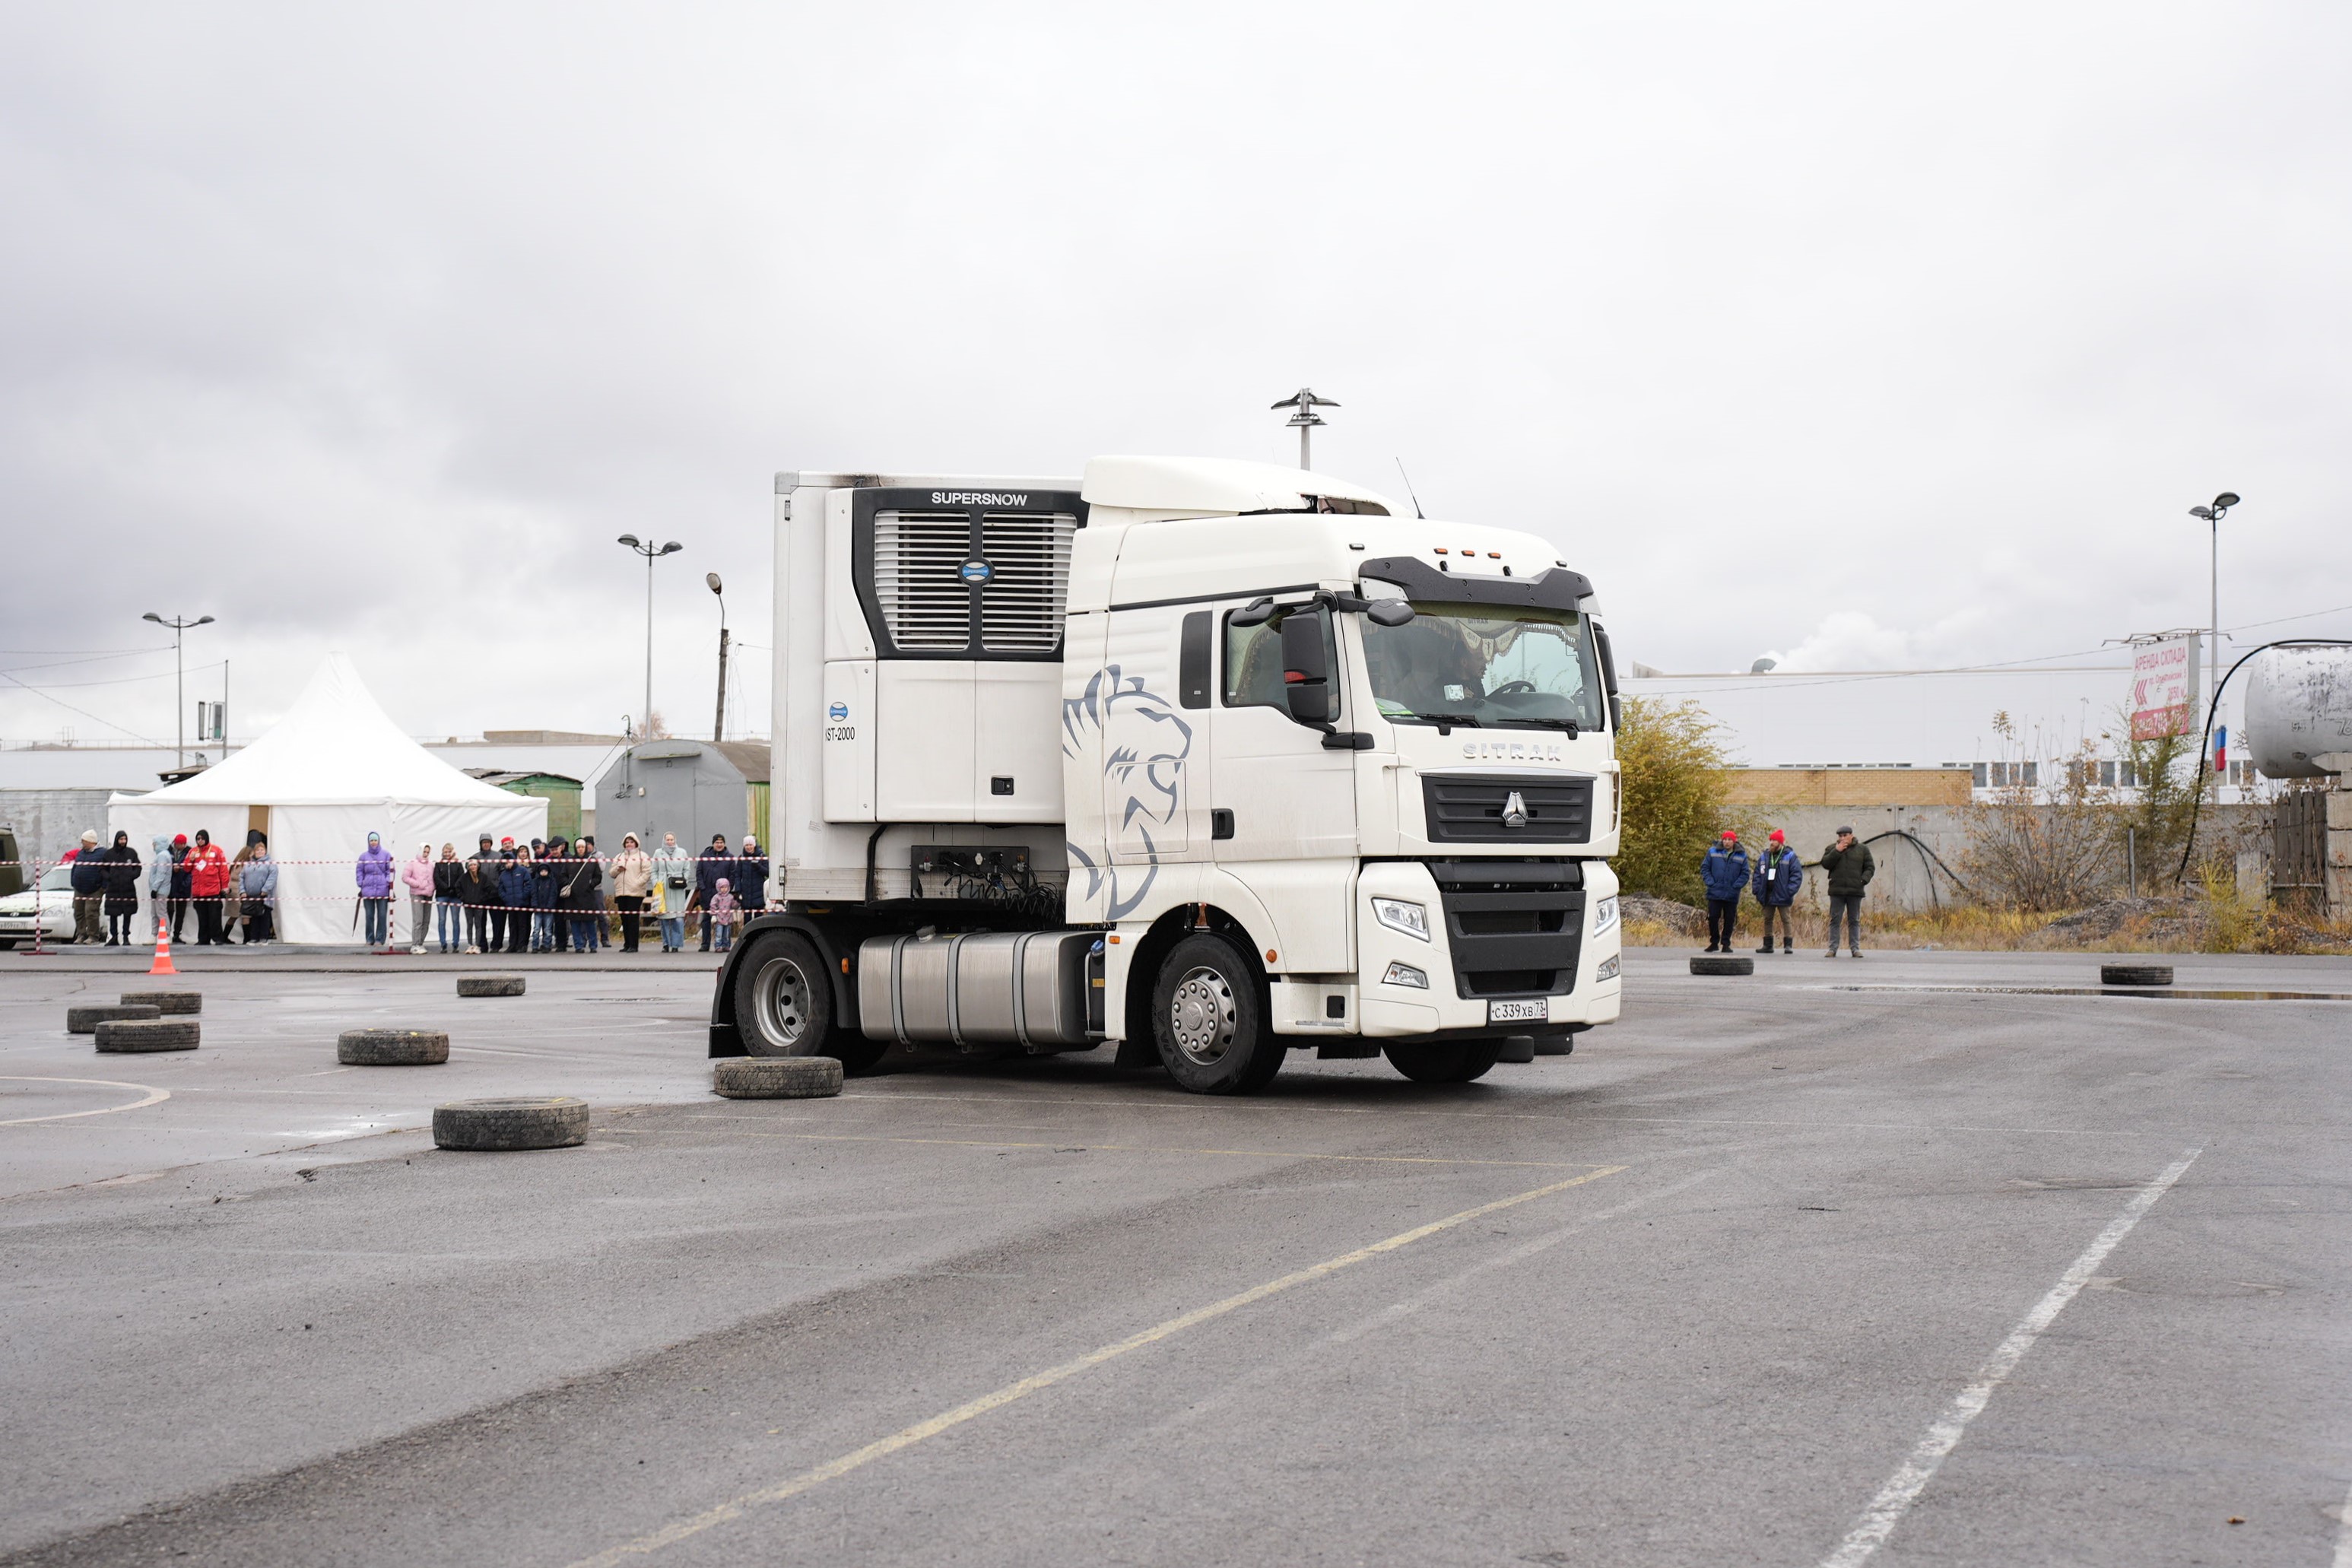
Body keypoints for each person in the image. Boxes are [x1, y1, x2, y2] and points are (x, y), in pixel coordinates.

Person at [1820, 826, 1877, 957]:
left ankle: (1855, 949)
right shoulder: (1831, 848)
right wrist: (1837, 851)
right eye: (1840, 836)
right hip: (1837, 890)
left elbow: (1870, 867)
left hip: (1855, 891)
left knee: (1854, 920)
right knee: (1835, 920)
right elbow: (1825, 864)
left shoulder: (1862, 849)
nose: (1842, 838)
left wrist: (1863, 880)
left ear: (1851, 835)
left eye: (1845, 835)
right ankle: (1832, 949)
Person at [1750, 829, 1803, 955]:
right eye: (1771, 840)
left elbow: (1796, 875)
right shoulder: (1764, 856)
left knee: (1786, 919)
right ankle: (1768, 945)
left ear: (1780, 842)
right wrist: (1757, 890)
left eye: (1774, 840)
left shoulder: (1790, 856)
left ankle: (1788, 945)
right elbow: (1757, 873)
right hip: (1767, 893)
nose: (1772, 843)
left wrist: (1789, 891)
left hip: (1782, 894)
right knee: (1768, 918)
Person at [1699, 829, 1749, 954]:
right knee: (1713, 917)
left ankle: (1726, 943)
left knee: (1730, 919)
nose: (1727, 842)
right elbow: (1705, 868)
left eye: (1729, 840)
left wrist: (1736, 886)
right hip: (1715, 892)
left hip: (1731, 893)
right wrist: (1710, 882)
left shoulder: (1741, 855)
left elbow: (1745, 873)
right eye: (1725, 839)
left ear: (1734, 841)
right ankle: (1714, 942)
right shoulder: (1712, 852)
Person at [186, 829, 231, 944]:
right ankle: (203, 939)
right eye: (198, 839)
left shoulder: (216, 850)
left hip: (213, 890)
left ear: (206, 838)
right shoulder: (193, 851)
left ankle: (218, 938)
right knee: (202, 917)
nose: (200, 841)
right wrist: (190, 860)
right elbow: (186, 869)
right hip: (198, 891)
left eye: (202, 838)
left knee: (215, 917)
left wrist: (225, 886)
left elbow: (223, 870)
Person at [609, 833, 652, 953]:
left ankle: (634, 945)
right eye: (627, 842)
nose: (629, 844)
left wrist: (636, 884)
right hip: (621, 892)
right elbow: (611, 873)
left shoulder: (642, 856)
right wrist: (618, 869)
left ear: (636, 843)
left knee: (633, 919)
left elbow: (647, 873)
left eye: (631, 842)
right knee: (625, 919)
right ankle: (627, 944)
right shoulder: (619, 856)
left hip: (635, 892)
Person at [355, 832, 395, 947]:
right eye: (371, 840)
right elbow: (359, 871)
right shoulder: (363, 857)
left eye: (375, 840)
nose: (373, 842)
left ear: (379, 841)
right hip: (367, 891)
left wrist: (387, 882)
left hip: (382, 890)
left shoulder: (386, 855)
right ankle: (369, 939)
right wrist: (361, 883)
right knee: (369, 915)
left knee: (382, 915)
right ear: (368, 842)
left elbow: (391, 870)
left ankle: (380, 939)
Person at [694, 833, 733, 952]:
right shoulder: (704, 855)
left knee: (725, 922)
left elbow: (732, 875)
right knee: (706, 919)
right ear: (713, 844)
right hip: (707, 893)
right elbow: (699, 872)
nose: (719, 845)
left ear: (724, 844)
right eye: (717, 843)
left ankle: (724, 944)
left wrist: (728, 891)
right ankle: (705, 944)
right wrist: (702, 887)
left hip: (723, 897)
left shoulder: (729, 857)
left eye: (721, 843)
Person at [563, 838, 603, 954]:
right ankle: (578, 945)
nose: (580, 849)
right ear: (576, 848)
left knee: (590, 922)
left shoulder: (592, 860)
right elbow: (563, 875)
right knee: (575, 923)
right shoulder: (570, 861)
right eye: (578, 847)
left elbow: (598, 877)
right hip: (573, 897)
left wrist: (591, 884)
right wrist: (568, 884)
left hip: (588, 896)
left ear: (585, 848)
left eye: (582, 847)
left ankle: (593, 945)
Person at [101, 830, 141, 944]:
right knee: (113, 913)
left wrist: (131, 876)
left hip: (128, 888)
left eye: (125, 839)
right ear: (117, 840)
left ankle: (126, 937)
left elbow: (138, 867)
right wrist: (109, 877)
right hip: (113, 889)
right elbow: (102, 869)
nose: (123, 842)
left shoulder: (131, 853)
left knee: (127, 913)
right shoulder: (109, 854)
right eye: (121, 839)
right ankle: (114, 937)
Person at [652, 833, 690, 951]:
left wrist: (685, 880)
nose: (669, 841)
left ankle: (676, 945)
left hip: (677, 887)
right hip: (663, 888)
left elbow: (687, 869)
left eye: (671, 839)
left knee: (677, 918)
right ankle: (666, 944)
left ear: (675, 840)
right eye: (667, 839)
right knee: (664, 918)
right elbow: (654, 870)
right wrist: (656, 883)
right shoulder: (658, 853)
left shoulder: (682, 852)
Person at [238, 837, 278, 944]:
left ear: (265, 851)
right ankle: (254, 938)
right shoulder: (248, 865)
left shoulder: (271, 864)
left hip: (264, 896)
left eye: (262, 850)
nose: (260, 852)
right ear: (254, 852)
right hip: (252, 896)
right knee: (254, 918)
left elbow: (272, 877)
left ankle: (263, 938)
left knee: (264, 917)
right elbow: (241, 878)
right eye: (257, 850)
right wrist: (242, 891)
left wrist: (265, 890)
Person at [70, 828, 106, 944]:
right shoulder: (81, 853)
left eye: (83, 840)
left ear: (91, 841)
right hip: (79, 888)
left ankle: (93, 936)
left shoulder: (102, 853)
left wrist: (103, 887)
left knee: (91, 912)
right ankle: (81, 934)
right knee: (78, 912)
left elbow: (107, 870)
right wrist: (73, 881)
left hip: (94, 889)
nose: (82, 843)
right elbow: (75, 867)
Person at [465, 833, 500, 954]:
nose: (486, 844)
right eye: (484, 842)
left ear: (491, 843)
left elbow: (502, 873)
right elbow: (468, 871)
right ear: (480, 844)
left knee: (497, 922)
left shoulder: (498, 856)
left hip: (495, 894)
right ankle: (482, 944)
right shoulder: (475, 857)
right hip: (480, 895)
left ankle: (496, 945)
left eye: (488, 842)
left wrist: (498, 887)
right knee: (481, 922)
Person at [497, 844, 533, 954]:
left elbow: (529, 885)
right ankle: (512, 945)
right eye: (505, 862)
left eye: (509, 861)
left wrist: (523, 896)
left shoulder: (522, 871)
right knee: (512, 925)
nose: (507, 863)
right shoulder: (503, 874)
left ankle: (522, 945)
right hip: (510, 904)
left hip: (522, 903)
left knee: (523, 925)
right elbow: (501, 888)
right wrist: (506, 898)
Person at [401, 843, 435, 955]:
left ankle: (420, 943)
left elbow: (434, 878)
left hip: (428, 895)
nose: (426, 854)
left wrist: (432, 888)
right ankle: (415, 944)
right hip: (417, 894)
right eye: (424, 851)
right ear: (420, 851)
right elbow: (405, 877)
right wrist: (417, 884)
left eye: (428, 852)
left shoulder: (431, 865)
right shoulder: (412, 863)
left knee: (426, 920)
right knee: (418, 920)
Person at [433, 843, 466, 954]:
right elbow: (436, 878)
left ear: (452, 852)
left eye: (449, 852)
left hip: (455, 896)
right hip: (442, 895)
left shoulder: (457, 864)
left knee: (455, 920)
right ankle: (443, 943)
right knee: (442, 920)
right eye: (445, 852)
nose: (447, 854)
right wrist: (446, 887)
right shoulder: (439, 864)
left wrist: (454, 888)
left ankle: (455, 944)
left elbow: (461, 877)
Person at [167, 833, 193, 942]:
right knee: (169, 910)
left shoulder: (190, 852)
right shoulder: (168, 852)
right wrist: (173, 869)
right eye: (178, 844)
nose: (180, 846)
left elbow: (191, 870)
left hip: (183, 886)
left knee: (181, 913)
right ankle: (167, 933)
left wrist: (186, 884)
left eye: (182, 844)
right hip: (170, 885)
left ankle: (177, 934)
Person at [146, 835, 172, 943]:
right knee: (154, 913)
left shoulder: (162, 856)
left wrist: (155, 888)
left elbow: (161, 873)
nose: (153, 846)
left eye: (155, 844)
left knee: (161, 913)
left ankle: (166, 934)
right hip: (158, 889)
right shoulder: (163, 855)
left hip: (160, 890)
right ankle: (154, 934)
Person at [737, 836, 769, 919]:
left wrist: (758, 866)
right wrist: (738, 891)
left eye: (750, 845)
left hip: (759, 893)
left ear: (754, 845)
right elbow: (737, 875)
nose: (749, 847)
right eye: (746, 845)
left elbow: (768, 873)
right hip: (746, 895)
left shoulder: (762, 856)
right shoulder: (742, 858)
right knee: (747, 920)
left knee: (759, 920)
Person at [707, 877, 738, 952]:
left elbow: (734, 906)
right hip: (719, 919)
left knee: (727, 935)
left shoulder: (730, 897)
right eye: (722, 887)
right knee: (719, 934)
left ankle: (726, 946)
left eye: (726, 887)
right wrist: (713, 915)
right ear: (718, 888)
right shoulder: (716, 897)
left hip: (728, 919)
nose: (724, 889)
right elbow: (713, 906)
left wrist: (738, 900)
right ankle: (718, 946)